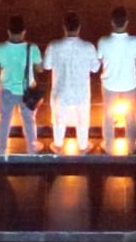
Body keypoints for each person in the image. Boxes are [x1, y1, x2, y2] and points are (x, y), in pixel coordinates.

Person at [42, 12, 99, 152]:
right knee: (82, 119)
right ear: (79, 27)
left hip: (60, 90)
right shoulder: (88, 47)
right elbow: (95, 68)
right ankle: (83, 145)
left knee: (58, 119)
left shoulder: (54, 46)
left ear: (64, 27)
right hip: (81, 91)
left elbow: (46, 66)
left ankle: (58, 144)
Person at [0, 15, 43, 155]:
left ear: (8, 31)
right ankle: (32, 147)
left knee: (4, 119)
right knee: (29, 120)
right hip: (27, 90)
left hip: (7, 89)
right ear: (24, 32)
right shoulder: (32, 48)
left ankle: (1, 147)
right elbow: (40, 68)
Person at [97, 6, 136, 150]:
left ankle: (108, 145)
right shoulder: (135, 41)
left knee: (108, 114)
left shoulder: (103, 41)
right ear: (127, 22)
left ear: (112, 22)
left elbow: (99, 60)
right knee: (130, 114)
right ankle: (131, 145)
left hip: (109, 83)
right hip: (129, 83)